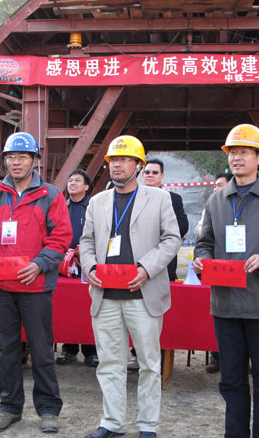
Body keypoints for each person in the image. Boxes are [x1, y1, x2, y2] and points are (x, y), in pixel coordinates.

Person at [193, 124, 259, 438]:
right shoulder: (217, 201)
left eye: (244, 152)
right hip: (225, 305)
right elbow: (204, 242)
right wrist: (201, 259)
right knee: (231, 380)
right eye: (232, 153)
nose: (237, 158)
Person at [79, 135, 181, 438]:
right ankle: (112, 422)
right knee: (110, 363)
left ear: (138, 165)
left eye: (124, 159)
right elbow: (86, 242)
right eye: (113, 160)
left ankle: (148, 425)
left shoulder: (159, 198)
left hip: (142, 295)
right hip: (105, 295)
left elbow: (172, 239)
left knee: (149, 364)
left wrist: (147, 268)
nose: (117, 165)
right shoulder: (97, 202)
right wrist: (90, 267)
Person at [0, 132, 72, 434]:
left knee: (41, 351)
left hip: (35, 288)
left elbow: (61, 238)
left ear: (35, 161)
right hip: (1, 288)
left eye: (23, 157)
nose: (16, 162)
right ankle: (9, 407)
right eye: (11, 157)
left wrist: (39, 264)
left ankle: (48, 409)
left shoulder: (51, 196)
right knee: (6, 351)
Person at [125, 158, 188, 372]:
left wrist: (154, 236)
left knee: (156, 312)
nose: (150, 175)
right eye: (147, 172)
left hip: (162, 264)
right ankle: (136, 354)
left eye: (154, 172)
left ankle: (159, 357)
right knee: (134, 311)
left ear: (162, 176)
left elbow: (181, 227)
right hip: (133, 265)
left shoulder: (172, 199)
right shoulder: (132, 196)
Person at [56, 168, 99, 367]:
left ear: (86, 186)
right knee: (67, 306)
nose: (72, 183)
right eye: (70, 180)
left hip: (88, 264)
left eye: (77, 181)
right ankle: (68, 349)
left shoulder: (94, 206)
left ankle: (91, 351)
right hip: (65, 264)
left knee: (88, 307)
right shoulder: (61, 206)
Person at [193, 171, 233, 374]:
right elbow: (202, 237)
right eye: (215, 185)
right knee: (217, 319)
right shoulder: (212, 205)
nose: (216, 188)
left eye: (220, 185)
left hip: (246, 273)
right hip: (217, 271)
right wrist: (202, 257)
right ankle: (217, 357)